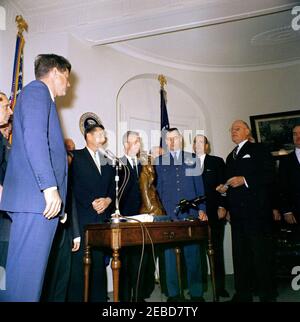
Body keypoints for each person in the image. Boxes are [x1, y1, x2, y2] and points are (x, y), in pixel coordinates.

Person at [0, 54, 71, 302]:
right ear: (54, 72)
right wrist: (49, 187)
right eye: (67, 77)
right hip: (36, 202)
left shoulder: (43, 98)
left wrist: (59, 201)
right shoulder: (36, 92)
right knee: (24, 285)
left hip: (40, 203)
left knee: (27, 283)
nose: (69, 84)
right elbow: (35, 139)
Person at [217, 120, 276, 302]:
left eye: (237, 129)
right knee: (240, 255)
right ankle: (243, 293)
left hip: (257, 212)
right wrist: (224, 193)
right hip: (237, 214)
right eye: (231, 129)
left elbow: (270, 175)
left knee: (260, 254)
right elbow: (229, 182)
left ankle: (267, 294)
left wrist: (245, 179)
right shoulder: (229, 156)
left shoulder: (260, 149)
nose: (233, 132)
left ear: (247, 131)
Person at [155, 128, 206, 302]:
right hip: (169, 216)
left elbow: (199, 187)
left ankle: (196, 293)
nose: (171, 142)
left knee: (193, 255)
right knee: (169, 256)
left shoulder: (192, 159)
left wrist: (202, 209)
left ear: (180, 139)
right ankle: (174, 294)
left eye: (174, 138)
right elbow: (159, 190)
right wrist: (164, 213)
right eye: (168, 139)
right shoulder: (159, 161)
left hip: (190, 214)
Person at [67, 123, 114, 302]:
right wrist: (91, 201)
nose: (104, 137)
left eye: (104, 133)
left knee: (98, 264)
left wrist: (108, 200)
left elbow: (113, 188)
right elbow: (72, 186)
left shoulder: (107, 159)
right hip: (83, 218)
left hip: (101, 220)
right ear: (88, 136)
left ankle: (99, 299)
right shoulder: (76, 156)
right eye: (100, 133)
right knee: (79, 266)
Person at [41, 138, 80, 302]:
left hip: (66, 234)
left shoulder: (67, 177)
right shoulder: (45, 175)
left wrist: (76, 233)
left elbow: (71, 203)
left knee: (63, 279)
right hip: (48, 232)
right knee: (48, 280)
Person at [118, 131, 153, 301]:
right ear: (126, 144)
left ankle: (139, 298)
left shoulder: (143, 165)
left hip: (143, 219)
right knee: (125, 262)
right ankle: (125, 299)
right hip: (125, 220)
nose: (138, 144)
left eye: (139, 141)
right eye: (135, 141)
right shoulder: (116, 164)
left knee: (141, 260)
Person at [193, 134, 229, 299]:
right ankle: (199, 288)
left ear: (207, 146)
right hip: (196, 215)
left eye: (201, 141)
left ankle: (219, 287)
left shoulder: (217, 162)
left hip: (215, 212)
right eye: (195, 142)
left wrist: (223, 206)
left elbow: (225, 186)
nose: (198, 144)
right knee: (197, 253)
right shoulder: (188, 163)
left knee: (216, 250)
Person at [278, 124, 300, 236]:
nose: (298, 136)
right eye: (295, 134)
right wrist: (286, 211)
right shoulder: (286, 161)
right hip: (296, 212)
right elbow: (282, 187)